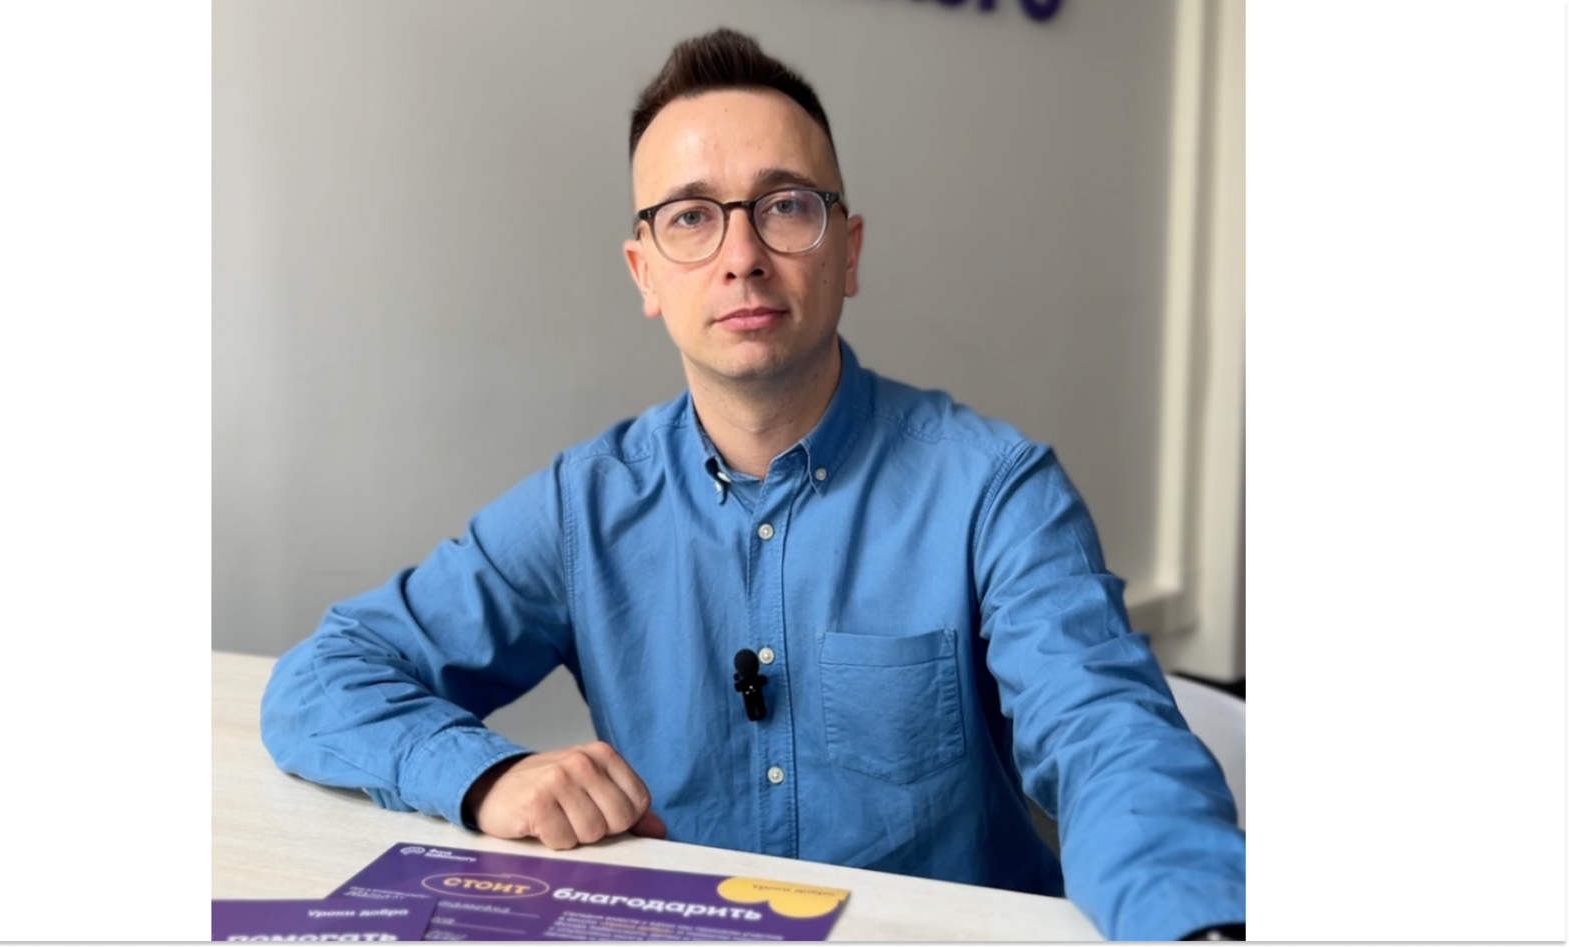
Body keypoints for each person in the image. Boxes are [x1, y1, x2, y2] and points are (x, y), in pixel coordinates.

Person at [260, 28, 1245, 941]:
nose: (742, 258)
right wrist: (485, 776)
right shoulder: (582, 510)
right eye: (692, 217)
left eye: (785, 207)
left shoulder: (996, 493)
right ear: (645, 274)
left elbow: (1111, 740)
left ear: (847, 251)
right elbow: (324, 678)